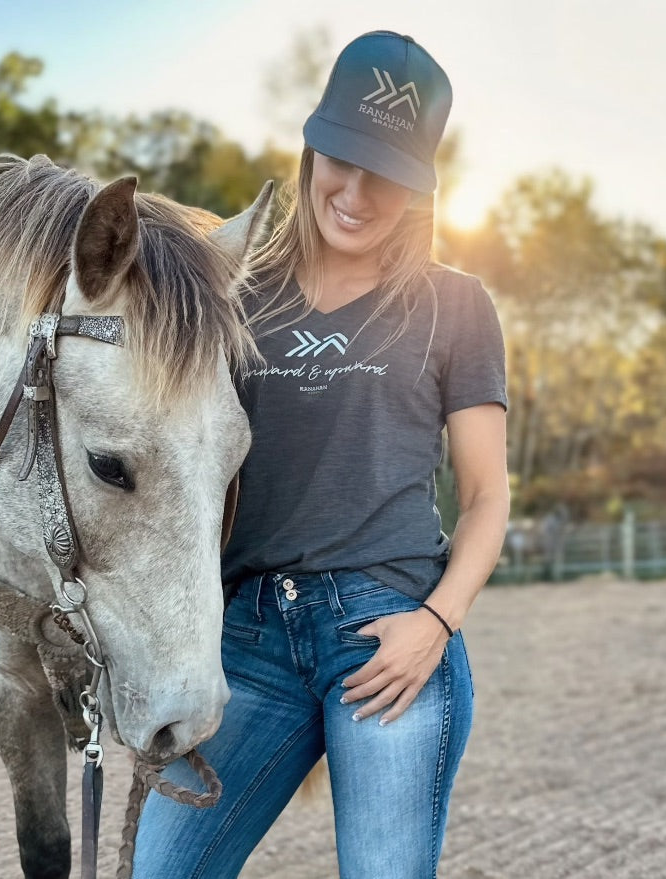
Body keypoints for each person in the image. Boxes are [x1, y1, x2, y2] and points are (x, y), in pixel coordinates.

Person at [134, 30, 509, 879]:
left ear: (419, 188)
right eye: (344, 157)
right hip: (247, 639)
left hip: (386, 637)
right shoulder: (230, 293)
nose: (358, 192)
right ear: (311, 148)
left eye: (390, 173)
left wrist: (435, 623)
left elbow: (487, 496)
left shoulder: (456, 306)